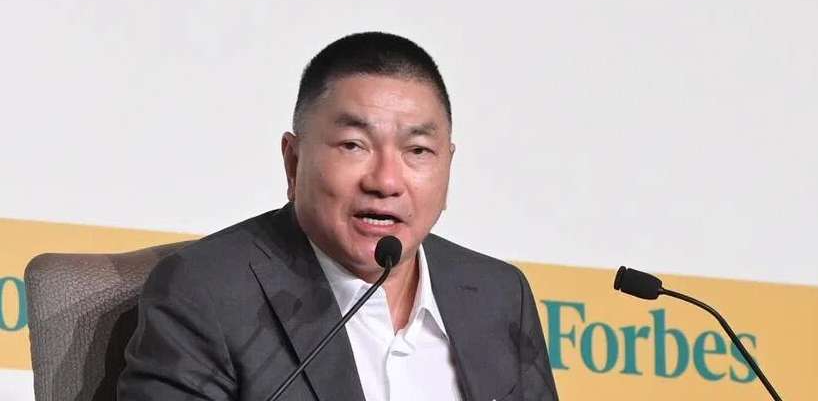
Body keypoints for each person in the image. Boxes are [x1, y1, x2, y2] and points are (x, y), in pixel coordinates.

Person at [117, 32, 559, 400]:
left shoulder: (499, 295)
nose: (386, 181)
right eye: (353, 145)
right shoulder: (207, 292)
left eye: (418, 150)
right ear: (293, 162)